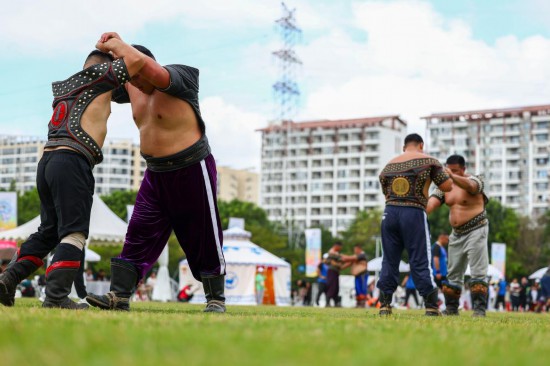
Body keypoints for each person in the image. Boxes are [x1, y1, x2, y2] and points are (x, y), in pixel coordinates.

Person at [86, 32, 226, 313]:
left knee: (203, 234)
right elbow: (94, 79)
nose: (134, 83)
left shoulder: (180, 77)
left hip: (191, 168)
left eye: (136, 74)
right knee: (138, 233)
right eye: (130, 77)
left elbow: (150, 70)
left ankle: (215, 299)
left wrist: (117, 44)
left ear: (145, 63)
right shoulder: (132, 86)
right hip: (155, 174)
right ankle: (119, 296)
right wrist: (102, 59)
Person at [0, 47, 142, 309]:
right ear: (102, 68)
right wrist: (117, 45)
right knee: (74, 233)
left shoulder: (69, 88)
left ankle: (9, 278)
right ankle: (55, 297)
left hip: (48, 162)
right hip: (73, 160)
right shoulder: (100, 78)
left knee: (49, 231)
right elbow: (136, 62)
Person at [377, 133, 452, 316]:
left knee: (389, 259)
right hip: (414, 212)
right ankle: (431, 305)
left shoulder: (389, 165)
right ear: (421, 145)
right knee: (420, 258)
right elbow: (447, 186)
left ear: (404, 147)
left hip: (389, 213)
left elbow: (385, 191)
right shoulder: (429, 161)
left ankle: (385, 305)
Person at [427, 154, 490, 317]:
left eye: (455, 170)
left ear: (463, 169)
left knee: (478, 270)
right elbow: (432, 203)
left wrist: (452, 176)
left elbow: (471, 186)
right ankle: (452, 309)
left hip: (477, 229)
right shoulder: (444, 186)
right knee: (453, 272)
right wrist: (416, 212)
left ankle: (479, 310)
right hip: (456, 233)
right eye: (448, 169)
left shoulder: (477, 180)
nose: (450, 173)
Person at [325, 241, 351, 307]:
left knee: (336, 287)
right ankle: (327, 302)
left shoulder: (335, 253)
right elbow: (341, 258)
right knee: (332, 286)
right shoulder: (332, 252)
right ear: (337, 246)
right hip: (332, 271)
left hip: (335, 271)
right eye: (340, 247)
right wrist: (351, 258)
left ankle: (336, 302)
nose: (340, 248)